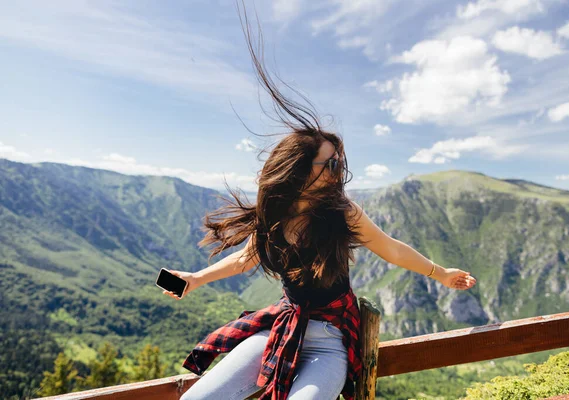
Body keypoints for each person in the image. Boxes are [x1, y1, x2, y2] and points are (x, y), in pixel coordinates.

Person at [162, 2, 477, 399]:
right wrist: (196, 279)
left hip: (329, 340)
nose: (337, 171)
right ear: (298, 169)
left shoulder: (341, 213)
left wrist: (440, 272)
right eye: (329, 164)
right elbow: (247, 257)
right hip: (282, 328)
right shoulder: (273, 216)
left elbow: (390, 248)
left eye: (338, 163)